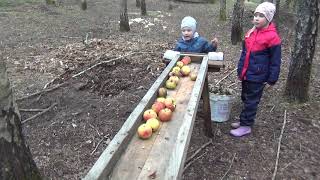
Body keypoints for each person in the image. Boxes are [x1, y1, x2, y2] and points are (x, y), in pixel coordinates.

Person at [230, 2, 281, 137]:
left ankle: (246, 126)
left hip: (258, 76)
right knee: (245, 97)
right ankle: (243, 120)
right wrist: (240, 70)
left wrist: (272, 79)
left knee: (252, 101)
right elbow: (244, 54)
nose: (257, 18)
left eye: (261, 16)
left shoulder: (272, 37)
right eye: (255, 15)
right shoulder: (251, 33)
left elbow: (275, 61)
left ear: (268, 19)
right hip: (247, 73)